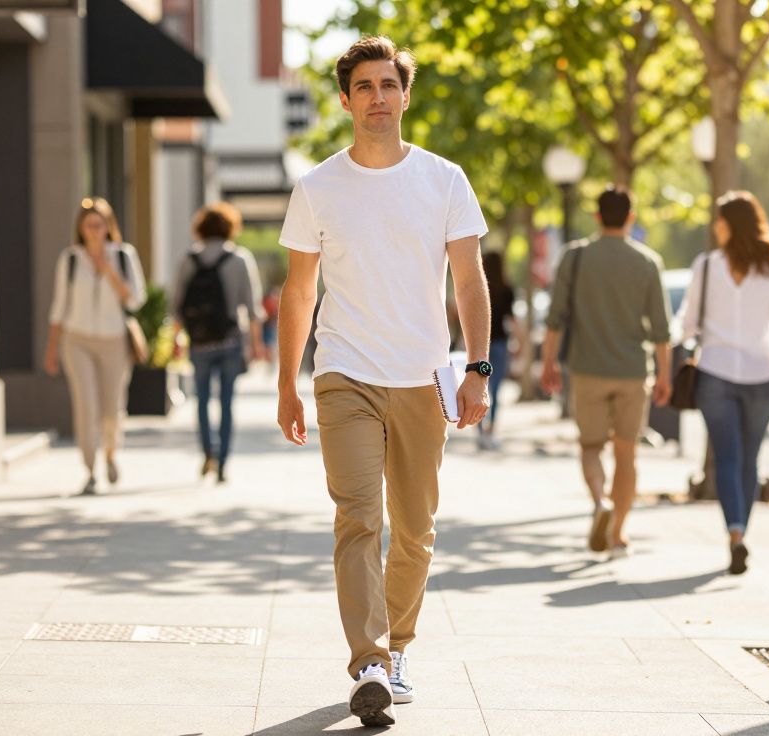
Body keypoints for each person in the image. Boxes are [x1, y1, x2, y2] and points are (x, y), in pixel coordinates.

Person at [276, 36, 491, 728]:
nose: (377, 98)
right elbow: (298, 293)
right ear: (345, 100)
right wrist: (288, 382)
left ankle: (398, 649)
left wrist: (479, 369)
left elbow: (469, 279)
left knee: (416, 531)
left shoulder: (444, 180)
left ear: (405, 94)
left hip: (423, 379)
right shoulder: (316, 188)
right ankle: (367, 660)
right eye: (363, 87)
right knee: (358, 518)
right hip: (345, 375)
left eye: (387, 85)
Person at [678, 191, 769, 575]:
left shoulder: (705, 267)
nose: (715, 227)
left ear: (729, 224)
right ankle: (741, 532)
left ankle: (735, 533)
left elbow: (687, 325)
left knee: (728, 458)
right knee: (749, 460)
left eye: (719, 220)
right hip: (762, 375)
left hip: (716, 374)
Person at [540, 186, 672, 559]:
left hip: (588, 370)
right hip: (633, 372)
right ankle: (618, 536)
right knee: (627, 453)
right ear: (631, 217)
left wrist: (549, 363)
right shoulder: (647, 262)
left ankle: (600, 501)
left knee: (591, 447)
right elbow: (662, 328)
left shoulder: (575, 257)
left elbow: (555, 319)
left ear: (597, 217)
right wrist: (664, 375)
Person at [44, 197, 146, 495]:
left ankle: (111, 454)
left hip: (114, 340)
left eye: (98, 225)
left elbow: (136, 300)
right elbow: (59, 307)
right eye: (88, 225)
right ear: (80, 227)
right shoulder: (71, 259)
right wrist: (51, 349)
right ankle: (90, 470)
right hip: (77, 340)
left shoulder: (125, 255)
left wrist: (109, 271)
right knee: (86, 406)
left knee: (112, 406)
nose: (93, 230)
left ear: (108, 226)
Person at [170, 202, 265, 483]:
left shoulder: (189, 258)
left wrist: (177, 338)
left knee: (200, 401)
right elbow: (252, 307)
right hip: (230, 341)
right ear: (229, 227)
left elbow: (176, 305)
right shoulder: (239, 259)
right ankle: (223, 462)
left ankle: (207, 452)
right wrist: (256, 344)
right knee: (226, 402)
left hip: (198, 342)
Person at [478, 250, 516, 451]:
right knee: (496, 390)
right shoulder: (507, 289)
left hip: (479, 346)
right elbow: (512, 320)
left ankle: (479, 431)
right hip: (500, 344)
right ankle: (491, 432)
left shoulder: (479, 288)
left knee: (478, 387)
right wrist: (520, 344)